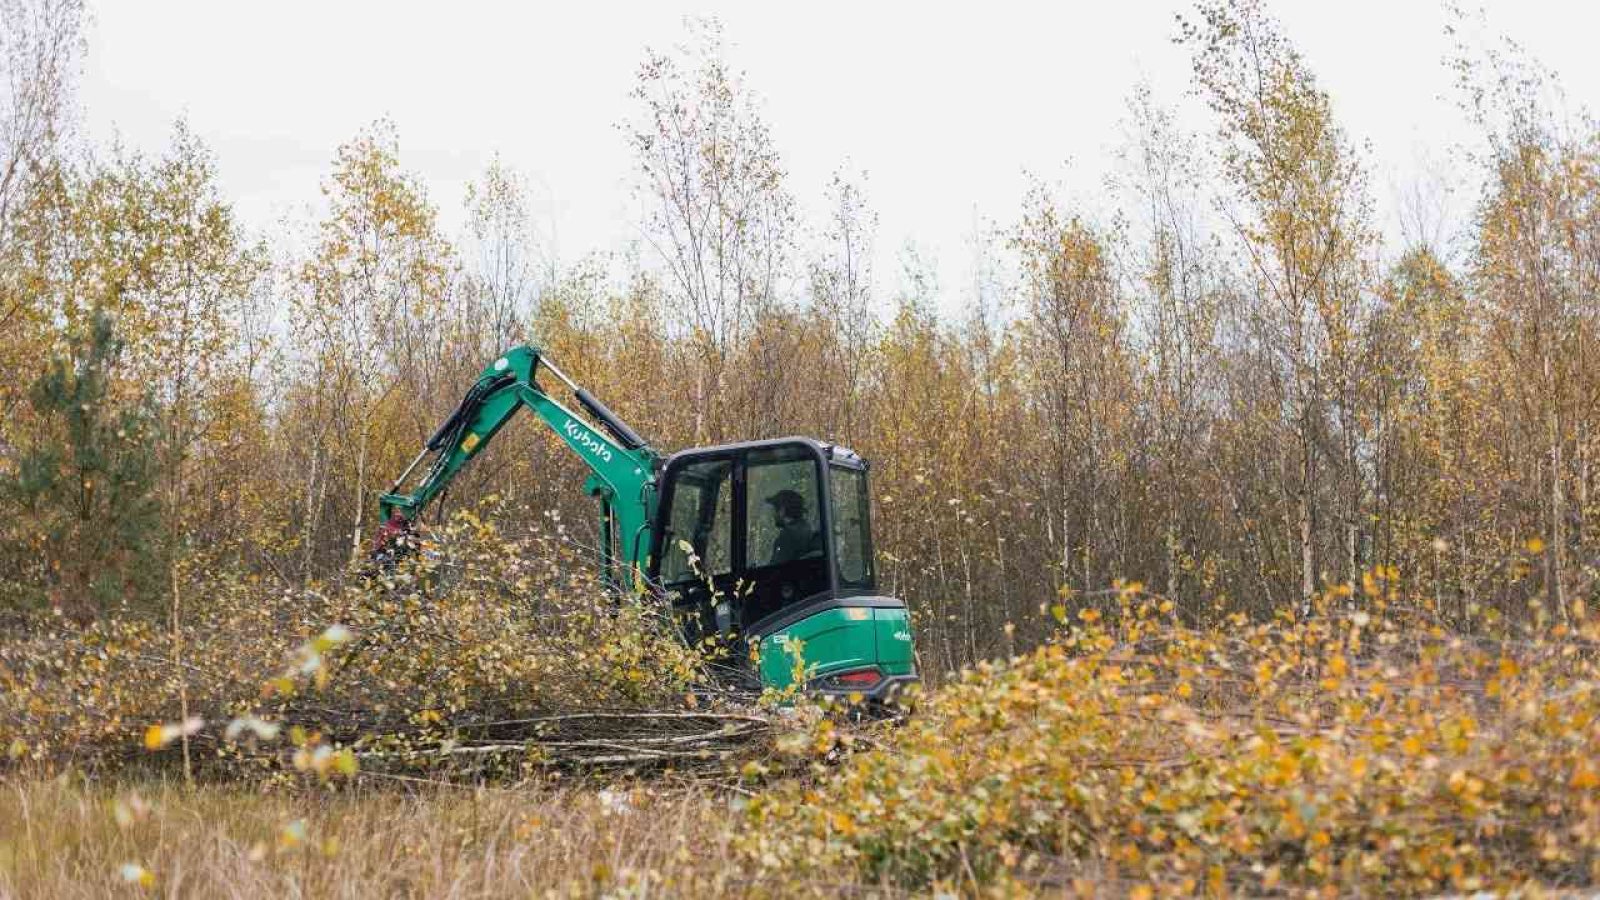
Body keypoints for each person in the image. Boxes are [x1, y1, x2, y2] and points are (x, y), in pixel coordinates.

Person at [765, 489, 819, 564]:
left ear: (782, 511)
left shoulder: (787, 536)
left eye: (775, 510)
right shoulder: (808, 528)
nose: (773, 515)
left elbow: (775, 567)